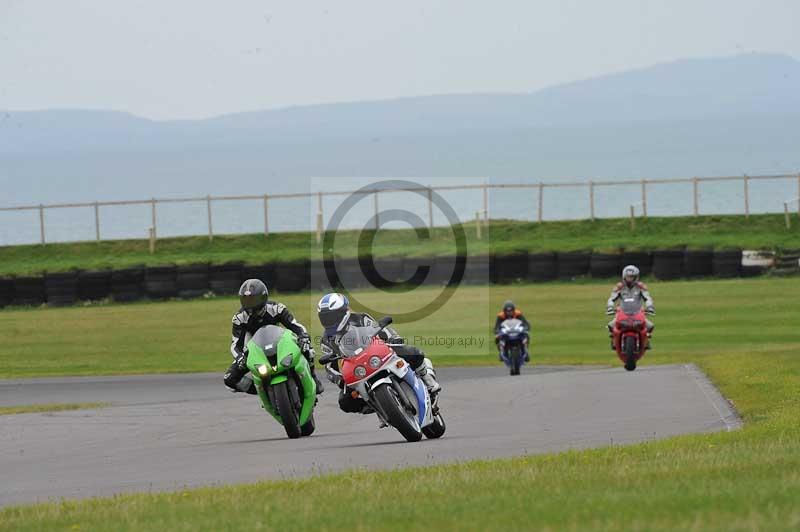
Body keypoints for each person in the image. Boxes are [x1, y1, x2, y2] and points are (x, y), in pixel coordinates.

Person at [316, 292, 441, 416]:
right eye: (325, 318)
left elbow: (381, 329)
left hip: (378, 353)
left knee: (414, 353)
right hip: (356, 368)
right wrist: (339, 379)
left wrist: (394, 339)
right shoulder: (326, 340)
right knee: (345, 402)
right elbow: (329, 367)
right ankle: (380, 406)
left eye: (332, 317)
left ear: (344, 312)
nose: (329, 321)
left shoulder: (360, 318)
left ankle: (428, 381)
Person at [223, 279, 324, 395]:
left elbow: (296, 326)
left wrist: (304, 336)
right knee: (229, 379)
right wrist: (240, 356)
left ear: (264, 297)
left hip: (280, 344)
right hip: (255, 350)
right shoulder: (239, 318)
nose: (250, 304)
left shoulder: (276, 308)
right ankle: (261, 390)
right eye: (246, 300)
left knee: (308, 349)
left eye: (254, 299)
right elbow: (235, 344)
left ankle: (313, 376)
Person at [606, 265, 656, 347]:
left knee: (650, 326)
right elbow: (612, 298)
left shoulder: (641, 287)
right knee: (610, 325)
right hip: (622, 311)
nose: (630, 279)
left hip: (638, 311)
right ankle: (614, 340)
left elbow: (647, 298)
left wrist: (650, 307)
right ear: (624, 276)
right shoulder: (619, 286)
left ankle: (646, 340)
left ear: (636, 277)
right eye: (628, 277)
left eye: (632, 277)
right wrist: (610, 307)